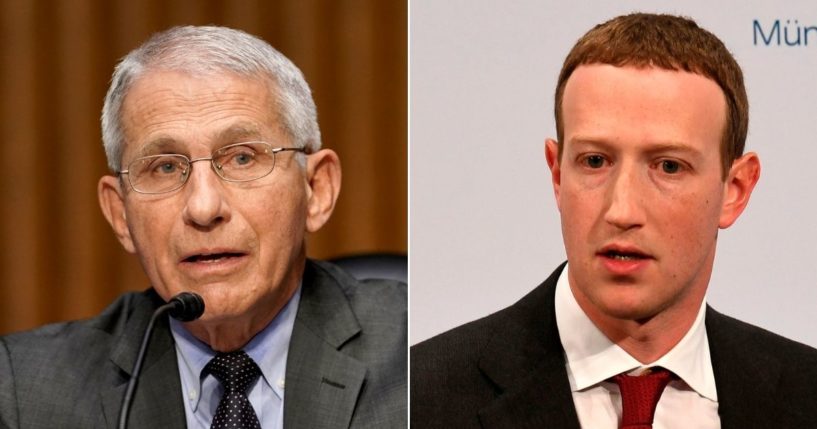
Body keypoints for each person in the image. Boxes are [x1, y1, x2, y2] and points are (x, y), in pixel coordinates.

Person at [411, 13, 817, 428]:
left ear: (735, 190)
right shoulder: (422, 397)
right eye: (594, 161)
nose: (621, 211)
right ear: (557, 174)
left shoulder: (806, 394)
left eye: (669, 167)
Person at [0, 26, 406, 428]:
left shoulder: (419, 356)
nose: (204, 206)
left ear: (317, 188)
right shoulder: (23, 392)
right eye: (165, 167)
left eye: (243, 158)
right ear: (120, 214)